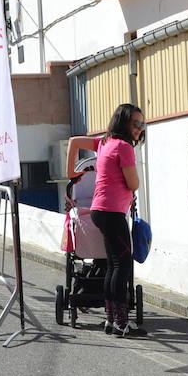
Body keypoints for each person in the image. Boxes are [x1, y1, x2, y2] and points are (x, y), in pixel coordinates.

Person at [64, 103, 147, 338]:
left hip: (99, 211)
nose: (140, 128)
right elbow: (133, 184)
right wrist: (133, 182)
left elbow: (74, 142)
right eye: (136, 123)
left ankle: (112, 321)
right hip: (112, 212)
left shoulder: (104, 143)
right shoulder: (122, 146)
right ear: (124, 122)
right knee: (122, 266)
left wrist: (71, 172)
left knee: (113, 266)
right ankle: (121, 323)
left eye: (142, 124)